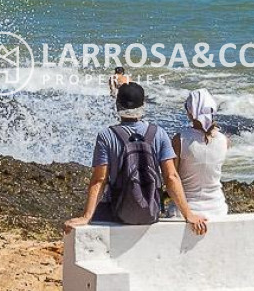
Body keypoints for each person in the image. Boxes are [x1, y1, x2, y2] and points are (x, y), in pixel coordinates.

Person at [66, 82, 208, 233]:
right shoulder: (159, 133)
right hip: (151, 213)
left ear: (117, 105)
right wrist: (188, 215)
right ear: (143, 105)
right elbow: (171, 177)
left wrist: (86, 216)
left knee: (100, 212)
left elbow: (99, 180)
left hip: (118, 212)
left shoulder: (106, 136)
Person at [171, 89, 230, 219]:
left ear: (191, 112)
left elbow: (172, 178)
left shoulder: (180, 140)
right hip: (218, 209)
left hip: (185, 212)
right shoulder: (224, 140)